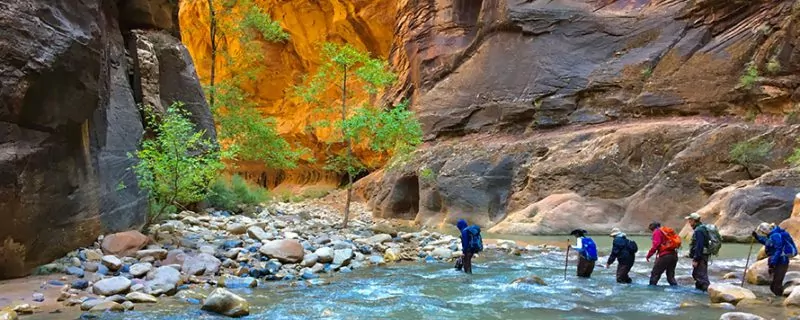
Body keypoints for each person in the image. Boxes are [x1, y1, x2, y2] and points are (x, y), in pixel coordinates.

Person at [752, 222, 797, 296]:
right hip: (777, 261)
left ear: (765, 230)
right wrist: (757, 237)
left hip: (781, 262)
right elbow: (767, 243)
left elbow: (778, 249)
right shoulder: (772, 235)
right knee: (774, 285)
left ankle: (780, 302)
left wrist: (773, 262)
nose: (763, 233)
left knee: (776, 285)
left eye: (762, 232)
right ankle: (779, 300)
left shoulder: (775, 235)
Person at [646, 221, 679, 286]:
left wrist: (648, 255)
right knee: (670, 276)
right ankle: (676, 289)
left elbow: (656, 245)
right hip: (673, 255)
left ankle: (651, 291)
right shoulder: (665, 232)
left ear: (652, 227)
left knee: (655, 274)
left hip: (665, 256)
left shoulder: (657, 232)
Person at [685, 212, 710, 291]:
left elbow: (699, 245)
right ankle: (700, 292)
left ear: (694, 220)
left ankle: (706, 294)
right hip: (703, 255)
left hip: (701, 256)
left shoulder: (699, 230)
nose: (689, 222)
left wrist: (696, 259)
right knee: (697, 274)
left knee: (701, 276)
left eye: (690, 220)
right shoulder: (701, 228)